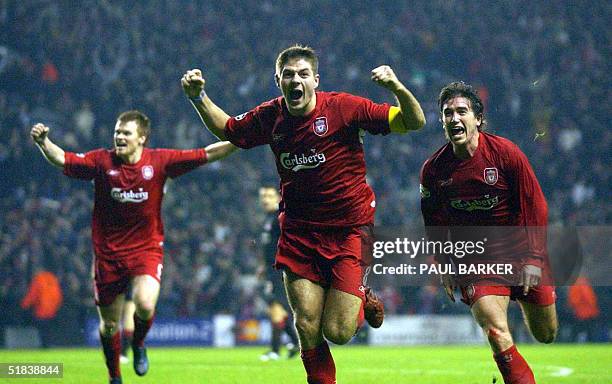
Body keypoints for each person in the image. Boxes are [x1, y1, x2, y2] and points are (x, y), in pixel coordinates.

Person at [182, 44, 425, 384]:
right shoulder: (271, 116)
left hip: (349, 231)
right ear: (278, 80)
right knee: (306, 324)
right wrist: (199, 97)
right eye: (288, 75)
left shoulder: (343, 107)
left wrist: (396, 88)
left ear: (315, 80)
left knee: (338, 331)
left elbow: (413, 122)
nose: (295, 80)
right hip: (299, 233)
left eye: (302, 74)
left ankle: (361, 296)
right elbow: (228, 129)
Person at [30, 110, 237, 384]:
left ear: (142, 137)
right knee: (110, 324)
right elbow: (63, 159)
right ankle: (114, 376)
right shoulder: (101, 161)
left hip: (146, 250)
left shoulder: (160, 161)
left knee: (145, 304)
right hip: (108, 255)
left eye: (126, 132)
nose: (119, 136)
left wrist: (242, 139)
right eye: (117, 132)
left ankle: (138, 343)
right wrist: (44, 142)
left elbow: (207, 153)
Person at [420, 81, 558, 384]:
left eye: (461, 111)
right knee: (495, 331)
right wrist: (443, 264)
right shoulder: (434, 171)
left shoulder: (506, 154)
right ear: (442, 121)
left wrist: (535, 258)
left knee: (546, 334)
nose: (454, 118)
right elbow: (434, 221)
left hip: (522, 253)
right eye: (447, 113)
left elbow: (536, 206)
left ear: (478, 119)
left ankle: (520, 296)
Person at [257, 186, 299, 361]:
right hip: (271, 270)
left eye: (269, 195)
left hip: (280, 270)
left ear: (278, 197)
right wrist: (262, 267)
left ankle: (275, 350)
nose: (265, 199)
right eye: (263, 196)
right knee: (278, 310)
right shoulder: (268, 218)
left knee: (276, 309)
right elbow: (268, 247)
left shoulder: (280, 218)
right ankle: (296, 343)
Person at [20, 268, 63, 348]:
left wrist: (24, 305)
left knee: (42, 329)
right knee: (48, 328)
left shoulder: (38, 279)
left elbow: (32, 295)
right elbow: (59, 295)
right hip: (53, 310)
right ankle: (49, 343)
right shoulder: (52, 279)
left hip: (41, 310)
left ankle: (45, 345)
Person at [119, 288, 136, 364]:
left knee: (129, 324)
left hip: (129, 292)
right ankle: (112, 351)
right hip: (114, 288)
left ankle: (123, 353)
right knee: (111, 323)